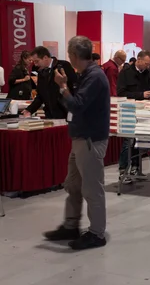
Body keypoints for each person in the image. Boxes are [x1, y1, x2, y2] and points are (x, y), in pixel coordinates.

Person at [43, 36, 110, 250]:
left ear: (73, 55)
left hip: (89, 140)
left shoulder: (95, 77)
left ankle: (96, 234)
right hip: (80, 138)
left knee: (92, 188)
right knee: (73, 185)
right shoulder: (85, 74)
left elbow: (77, 105)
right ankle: (71, 225)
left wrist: (63, 87)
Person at [117, 50, 150, 183]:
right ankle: (123, 171)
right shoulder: (125, 73)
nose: (147, 66)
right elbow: (121, 93)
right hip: (128, 111)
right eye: (146, 63)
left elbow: (147, 89)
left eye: (149, 64)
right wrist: (140, 95)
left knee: (139, 141)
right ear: (138, 60)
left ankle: (136, 168)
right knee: (128, 141)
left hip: (143, 110)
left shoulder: (147, 73)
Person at [23, 46, 77, 118]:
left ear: (45, 58)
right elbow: (40, 95)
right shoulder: (41, 72)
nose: (35, 64)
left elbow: (74, 88)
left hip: (65, 114)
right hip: (50, 116)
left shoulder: (63, 66)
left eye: (37, 61)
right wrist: (29, 109)